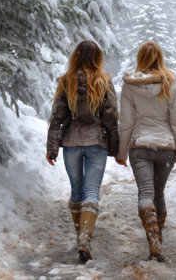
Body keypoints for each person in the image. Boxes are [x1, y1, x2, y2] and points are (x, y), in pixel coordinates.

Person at [46, 40, 119, 263]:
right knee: (91, 193)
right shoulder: (104, 82)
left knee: (77, 192)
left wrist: (52, 148)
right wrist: (115, 146)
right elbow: (110, 117)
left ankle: (81, 236)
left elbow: (57, 117)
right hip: (96, 142)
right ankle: (85, 239)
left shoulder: (66, 82)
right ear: (98, 58)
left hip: (71, 143)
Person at [116, 41, 176, 262]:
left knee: (145, 194)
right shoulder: (171, 83)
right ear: (160, 58)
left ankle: (153, 242)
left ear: (141, 59)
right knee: (158, 194)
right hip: (166, 149)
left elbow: (126, 123)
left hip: (141, 147)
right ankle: (159, 240)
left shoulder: (130, 85)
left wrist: (121, 153)